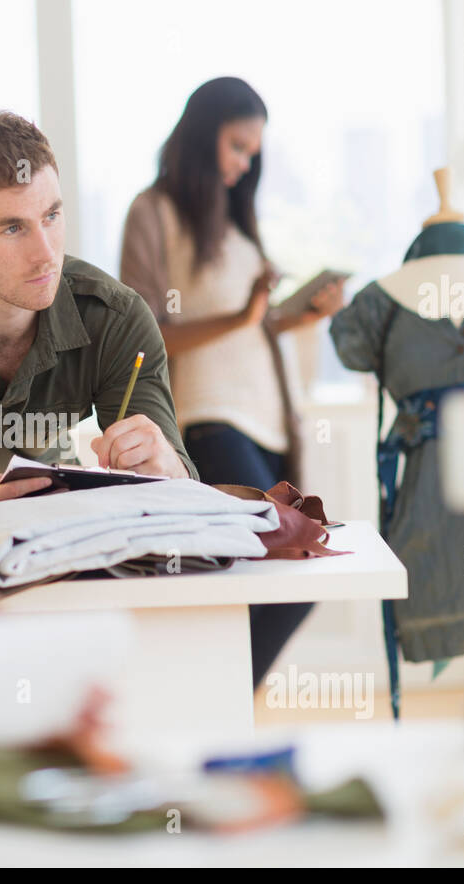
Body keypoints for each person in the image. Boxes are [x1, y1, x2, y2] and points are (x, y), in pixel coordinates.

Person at [119, 77, 345, 687]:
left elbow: (253, 330)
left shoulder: (239, 227)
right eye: (237, 146)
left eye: (254, 154)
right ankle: (205, 700)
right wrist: (241, 316)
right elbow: (145, 333)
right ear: (202, 132)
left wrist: (294, 316)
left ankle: (205, 703)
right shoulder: (154, 212)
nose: (246, 164)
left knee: (285, 574)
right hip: (210, 420)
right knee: (289, 577)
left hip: (269, 423)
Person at [0, 110, 197, 514]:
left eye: (51, 216)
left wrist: (170, 470)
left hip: (55, 537)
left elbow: (180, 495)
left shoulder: (115, 319)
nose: (46, 255)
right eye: (13, 229)